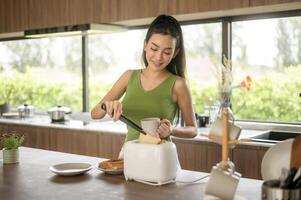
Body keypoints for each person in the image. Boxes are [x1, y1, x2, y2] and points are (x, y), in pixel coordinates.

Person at [91, 14, 197, 142]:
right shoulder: (128, 76)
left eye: (167, 52)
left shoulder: (178, 84)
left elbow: (192, 129)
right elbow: (94, 113)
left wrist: (171, 130)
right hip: (129, 154)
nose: (158, 57)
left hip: (161, 156)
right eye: (154, 48)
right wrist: (106, 106)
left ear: (175, 53)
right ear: (145, 45)